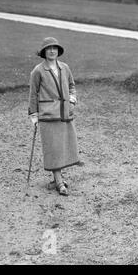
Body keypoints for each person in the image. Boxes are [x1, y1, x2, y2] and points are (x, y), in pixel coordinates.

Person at [28, 37, 79, 196]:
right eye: (49, 48)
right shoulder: (38, 71)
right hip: (48, 114)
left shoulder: (65, 67)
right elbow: (33, 94)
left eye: (54, 48)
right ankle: (59, 182)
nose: (52, 51)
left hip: (64, 113)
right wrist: (34, 114)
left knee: (63, 146)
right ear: (44, 52)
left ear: (58, 51)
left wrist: (72, 100)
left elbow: (72, 86)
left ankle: (56, 179)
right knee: (53, 148)